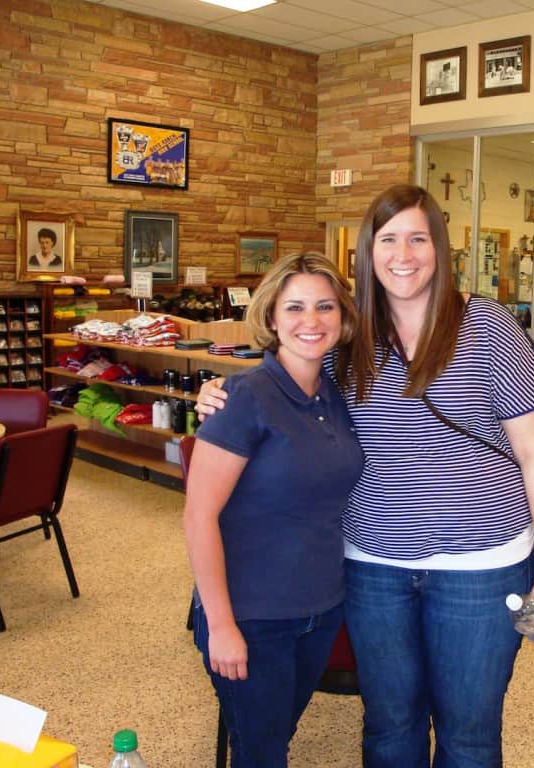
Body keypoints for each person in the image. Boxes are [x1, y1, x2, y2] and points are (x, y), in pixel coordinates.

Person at [198, 184, 534, 768]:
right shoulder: (350, 336)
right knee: (390, 727)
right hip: (373, 569)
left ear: (439, 247)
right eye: (388, 239)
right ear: (368, 252)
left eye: (418, 239)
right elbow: (288, 377)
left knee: (470, 735)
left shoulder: (489, 327)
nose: (403, 254)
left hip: (481, 567)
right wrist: (220, 391)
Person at [183, 252, 363, 768]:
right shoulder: (243, 397)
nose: (312, 321)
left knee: (277, 736)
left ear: (343, 316)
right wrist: (222, 626)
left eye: (325, 306)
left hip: (320, 609)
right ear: (271, 317)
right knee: (261, 753)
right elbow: (198, 517)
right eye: (295, 307)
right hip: (252, 616)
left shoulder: (335, 392)